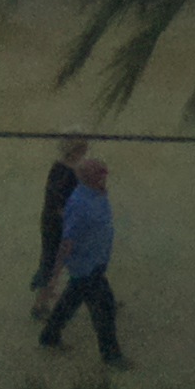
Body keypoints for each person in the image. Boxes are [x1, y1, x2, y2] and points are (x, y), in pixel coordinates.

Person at [35, 156, 126, 368]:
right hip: (86, 267)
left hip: (97, 261)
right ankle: (111, 356)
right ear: (88, 178)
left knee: (71, 300)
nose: (105, 179)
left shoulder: (98, 195)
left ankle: (49, 336)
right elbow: (67, 243)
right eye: (100, 175)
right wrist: (54, 276)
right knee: (104, 309)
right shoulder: (79, 204)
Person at [29, 131, 90, 320]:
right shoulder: (64, 172)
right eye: (82, 148)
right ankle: (40, 304)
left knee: (59, 262)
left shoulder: (64, 169)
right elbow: (59, 203)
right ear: (74, 150)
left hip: (59, 223)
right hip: (58, 226)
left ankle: (43, 302)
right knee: (54, 263)